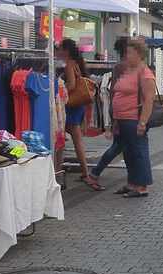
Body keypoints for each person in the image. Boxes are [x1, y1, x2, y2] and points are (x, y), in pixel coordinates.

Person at [108, 37, 156, 198]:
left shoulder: (145, 73)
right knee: (128, 153)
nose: (126, 55)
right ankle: (132, 183)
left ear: (139, 54)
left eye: (129, 52)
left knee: (138, 152)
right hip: (123, 119)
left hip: (134, 118)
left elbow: (149, 99)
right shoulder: (129, 70)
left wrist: (142, 122)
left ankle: (142, 186)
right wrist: (115, 119)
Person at [57, 38, 103, 191]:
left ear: (66, 50)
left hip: (71, 105)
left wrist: (59, 90)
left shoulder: (70, 64)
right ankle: (83, 172)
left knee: (69, 139)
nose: (58, 52)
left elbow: (71, 85)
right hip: (79, 105)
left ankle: (81, 172)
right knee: (74, 140)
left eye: (60, 49)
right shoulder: (79, 61)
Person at [91, 37, 128, 186]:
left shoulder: (121, 67)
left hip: (122, 113)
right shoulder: (122, 67)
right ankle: (94, 173)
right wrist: (110, 122)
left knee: (122, 147)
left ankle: (132, 180)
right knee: (119, 147)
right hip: (122, 113)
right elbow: (115, 93)